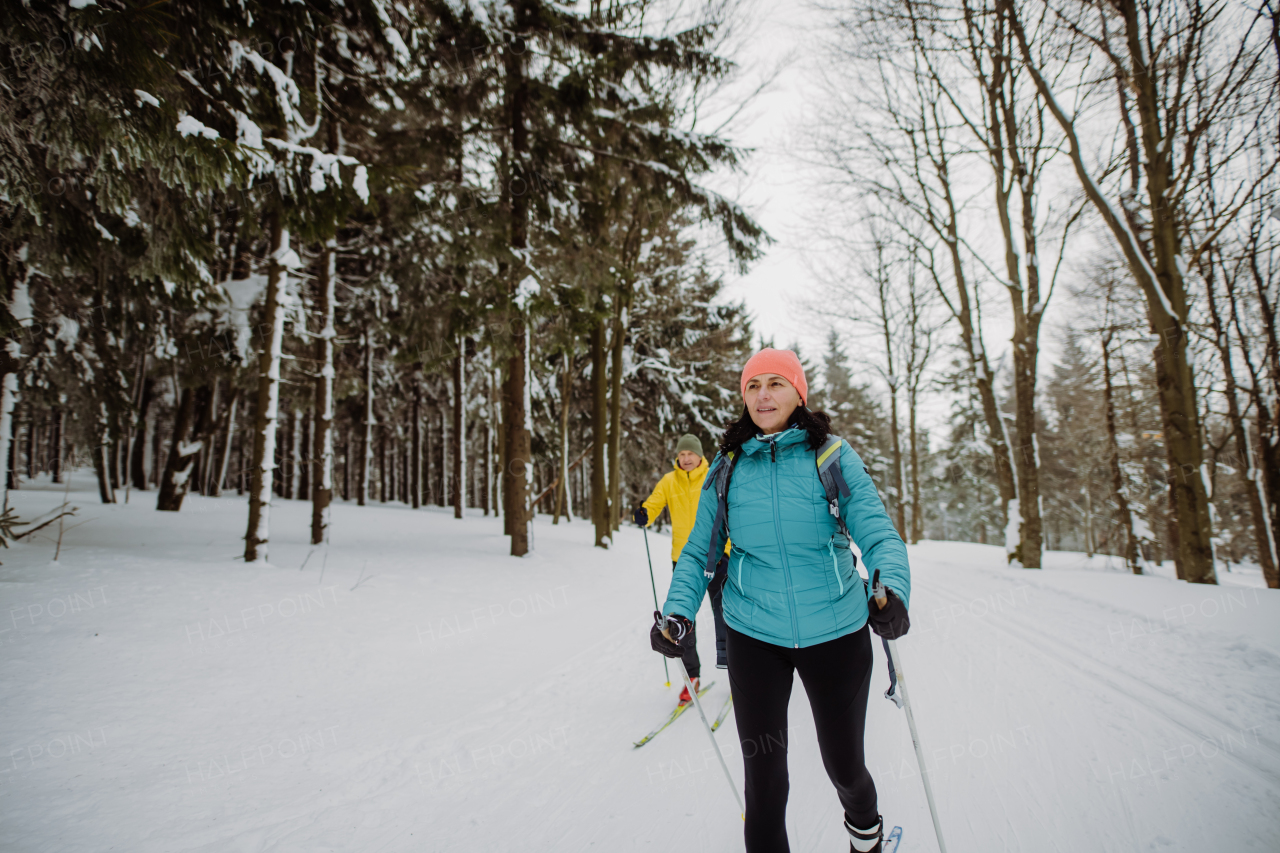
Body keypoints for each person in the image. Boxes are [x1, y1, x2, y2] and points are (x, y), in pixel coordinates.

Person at [649, 348, 911, 853]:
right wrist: (679, 613)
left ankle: (866, 836)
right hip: (755, 636)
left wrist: (891, 588)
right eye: (753, 385)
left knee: (845, 766)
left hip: (835, 630)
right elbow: (698, 551)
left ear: (798, 393)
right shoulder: (727, 466)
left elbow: (877, 533)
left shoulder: (830, 455)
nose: (763, 395)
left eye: (775, 383)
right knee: (764, 780)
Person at [632, 434, 730, 703]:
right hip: (685, 559)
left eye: (691, 453)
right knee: (683, 621)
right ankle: (691, 677)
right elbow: (653, 504)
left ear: (700, 456)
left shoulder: (714, 475)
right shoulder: (668, 481)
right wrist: (643, 514)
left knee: (726, 616)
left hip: (721, 556)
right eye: (682, 454)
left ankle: (737, 674)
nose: (686, 458)